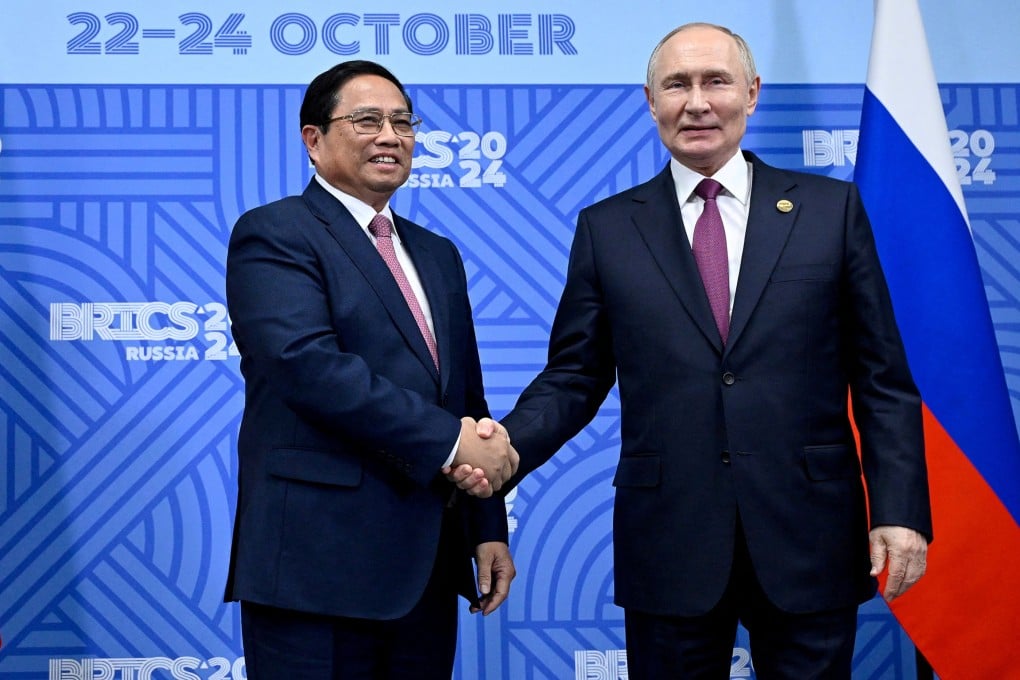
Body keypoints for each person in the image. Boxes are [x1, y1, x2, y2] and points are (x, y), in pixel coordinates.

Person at [465, 22, 932, 679]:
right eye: (676, 85)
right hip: (670, 539)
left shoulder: (831, 211)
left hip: (810, 532)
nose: (697, 102)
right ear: (650, 100)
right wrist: (507, 445)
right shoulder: (607, 228)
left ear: (752, 93)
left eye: (716, 81)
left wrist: (900, 510)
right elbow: (575, 375)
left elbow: (882, 379)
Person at [224, 59, 518, 680]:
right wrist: (451, 442)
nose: (390, 136)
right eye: (367, 120)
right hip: (314, 569)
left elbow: (466, 398)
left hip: (425, 567)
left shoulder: (437, 254)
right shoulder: (275, 233)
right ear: (313, 139)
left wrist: (486, 525)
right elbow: (307, 366)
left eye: (403, 122)